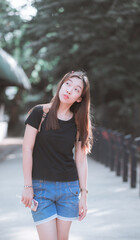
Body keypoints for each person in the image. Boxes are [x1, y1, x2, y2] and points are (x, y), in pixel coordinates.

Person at [21, 70, 94, 240]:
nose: (69, 90)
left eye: (76, 89)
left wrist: (84, 195)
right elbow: (27, 150)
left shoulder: (78, 122)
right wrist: (27, 187)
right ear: (61, 85)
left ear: (79, 98)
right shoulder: (39, 113)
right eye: (68, 84)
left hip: (68, 189)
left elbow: (81, 160)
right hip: (41, 189)